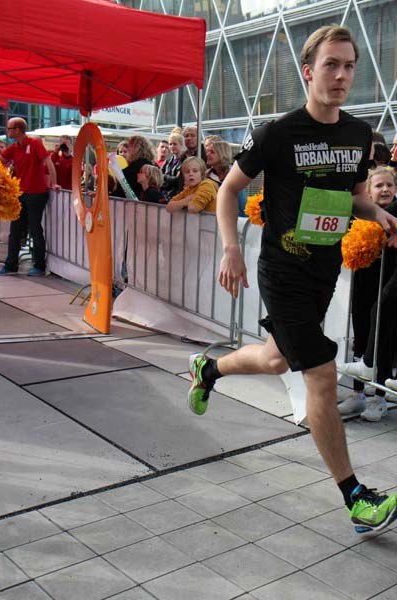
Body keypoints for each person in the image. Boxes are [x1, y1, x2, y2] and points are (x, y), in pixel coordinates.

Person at [187, 25, 397, 533]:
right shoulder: (277, 134)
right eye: (331, 65)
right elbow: (227, 190)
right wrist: (231, 249)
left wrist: (379, 213)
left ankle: (207, 370)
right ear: (308, 71)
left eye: (349, 66)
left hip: (323, 271)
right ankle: (356, 499)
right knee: (320, 375)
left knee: (275, 357)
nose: (342, 75)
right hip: (282, 271)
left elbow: (354, 196)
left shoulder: (358, 134)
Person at [338, 166, 397, 420]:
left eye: (390, 185)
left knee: (383, 341)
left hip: (386, 285)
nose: (385, 189)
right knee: (360, 338)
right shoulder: (360, 214)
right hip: (363, 284)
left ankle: (380, 398)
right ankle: (358, 394)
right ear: (368, 191)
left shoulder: (395, 213)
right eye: (379, 185)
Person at [0, 117, 59, 276]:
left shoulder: (35, 143)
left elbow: (49, 163)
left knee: (35, 229)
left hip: (37, 194)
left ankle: (39, 266)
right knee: (15, 231)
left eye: (9, 128)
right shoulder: (13, 147)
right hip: (21, 194)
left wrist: (54, 183)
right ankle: (11, 265)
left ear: (17, 130)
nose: (7, 131)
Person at [205, 138, 247, 217]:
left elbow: (243, 206)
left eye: (212, 152)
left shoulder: (235, 175)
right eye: (207, 151)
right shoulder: (206, 175)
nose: (207, 154)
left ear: (222, 154)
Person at [161, 133, 185, 199]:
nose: (172, 146)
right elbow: (159, 176)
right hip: (165, 193)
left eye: (175, 144)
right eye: (170, 144)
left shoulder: (184, 161)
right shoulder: (167, 161)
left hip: (176, 195)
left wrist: (165, 176)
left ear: (181, 145)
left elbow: (177, 180)